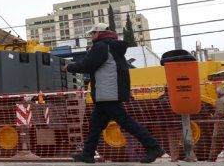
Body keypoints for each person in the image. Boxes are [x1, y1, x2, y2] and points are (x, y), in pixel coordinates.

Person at [65, 22, 165, 163]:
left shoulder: (101, 46)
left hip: (107, 92)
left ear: (99, 33)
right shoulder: (112, 46)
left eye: (92, 33)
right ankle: (87, 153)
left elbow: (88, 64)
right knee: (95, 124)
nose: (91, 36)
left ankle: (153, 147)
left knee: (124, 121)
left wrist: (70, 67)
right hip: (108, 91)